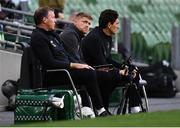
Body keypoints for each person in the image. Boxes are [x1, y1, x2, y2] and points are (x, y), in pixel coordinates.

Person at [30, 6, 109, 117]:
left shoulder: (53, 35)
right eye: (53, 17)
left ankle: (90, 109)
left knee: (88, 71)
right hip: (53, 74)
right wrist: (73, 65)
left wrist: (82, 65)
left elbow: (66, 55)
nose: (55, 20)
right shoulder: (38, 37)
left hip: (64, 70)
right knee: (88, 74)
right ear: (44, 20)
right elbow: (49, 63)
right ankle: (100, 110)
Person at [59, 11, 140, 114]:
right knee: (112, 76)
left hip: (91, 70)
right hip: (91, 70)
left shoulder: (107, 36)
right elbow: (100, 63)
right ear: (109, 25)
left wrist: (123, 66)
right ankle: (101, 109)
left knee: (133, 71)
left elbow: (107, 59)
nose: (87, 25)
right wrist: (119, 71)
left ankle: (135, 107)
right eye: (85, 22)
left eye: (89, 23)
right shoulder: (92, 38)